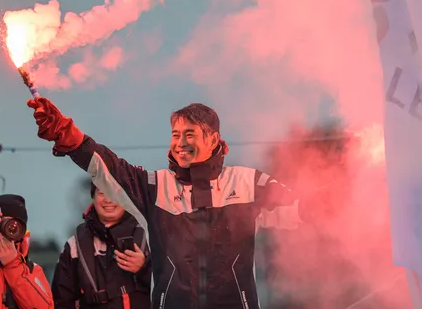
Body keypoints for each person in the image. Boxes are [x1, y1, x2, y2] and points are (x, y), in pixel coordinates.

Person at [27, 98, 326, 309]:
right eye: (175, 135)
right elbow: (108, 169)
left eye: (190, 134)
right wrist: (69, 136)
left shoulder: (246, 183)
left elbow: (297, 208)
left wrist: (330, 197)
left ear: (213, 139)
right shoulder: (157, 187)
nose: (180, 143)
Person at [52, 183, 151, 309]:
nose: (108, 200)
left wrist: (144, 267)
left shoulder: (152, 238)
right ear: (93, 197)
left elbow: (174, 287)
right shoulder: (74, 247)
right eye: (102, 193)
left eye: (115, 193)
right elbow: (61, 302)